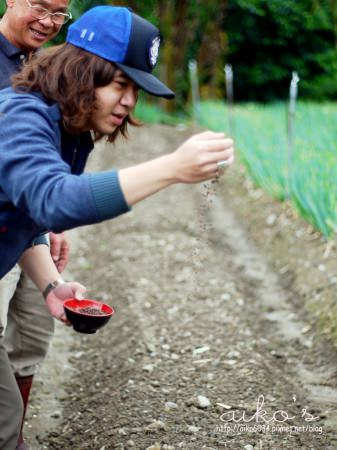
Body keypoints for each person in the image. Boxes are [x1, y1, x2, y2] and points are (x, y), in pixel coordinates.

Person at [0, 5, 234, 449]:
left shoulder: (70, 129)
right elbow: (53, 200)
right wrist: (171, 168)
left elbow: (24, 214)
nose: (128, 102)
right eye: (120, 84)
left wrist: (51, 288)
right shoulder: (19, 116)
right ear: (82, 72)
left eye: (136, 89)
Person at [0, 1, 76, 449]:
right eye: (40, 7)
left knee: (32, 335)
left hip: (31, 228)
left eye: (60, 12)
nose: (48, 21)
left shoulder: (44, 65)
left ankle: (14, 430)